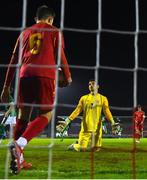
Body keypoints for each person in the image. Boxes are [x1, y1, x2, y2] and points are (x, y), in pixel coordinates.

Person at [0, 5, 72, 174]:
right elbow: (60, 56)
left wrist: (5, 86)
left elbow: (13, 61)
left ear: (35, 19)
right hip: (44, 74)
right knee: (46, 114)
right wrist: (67, 76)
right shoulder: (54, 31)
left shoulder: (24, 33)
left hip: (24, 76)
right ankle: (20, 144)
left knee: (23, 116)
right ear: (50, 19)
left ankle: (18, 160)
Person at [56, 79, 118, 152]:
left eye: (93, 84)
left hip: (97, 129)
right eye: (89, 84)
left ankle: (80, 143)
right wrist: (67, 121)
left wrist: (112, 122)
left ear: (98, 86)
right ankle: (75, 145)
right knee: (82, 149)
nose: (91, 85)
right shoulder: (84, 98)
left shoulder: (103, 98)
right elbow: (77, 111)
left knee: (96, 149)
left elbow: (107, 111)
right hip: (86, 128)